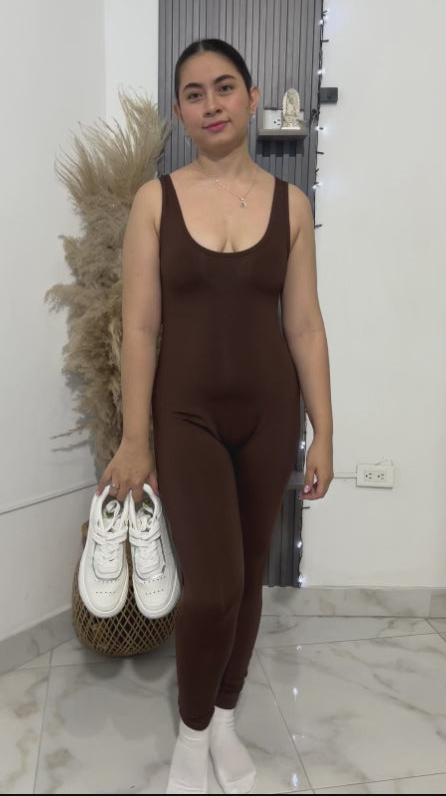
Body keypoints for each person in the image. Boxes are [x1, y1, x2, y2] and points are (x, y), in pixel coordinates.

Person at [97, 38, 334, 794]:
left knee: (249, 579)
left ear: (252, 97)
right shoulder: (154, 201)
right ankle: (192, 734)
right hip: (186, 414)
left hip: (270, 415)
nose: (212, 105)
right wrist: (136, 437)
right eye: (194, 94)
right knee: (212, 587)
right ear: (179, 112)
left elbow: (305, 326)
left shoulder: (291, 205)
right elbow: (140, 327)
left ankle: (225, 719)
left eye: (225, 87)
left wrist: (324, 431)